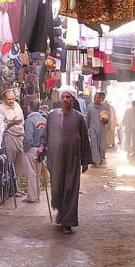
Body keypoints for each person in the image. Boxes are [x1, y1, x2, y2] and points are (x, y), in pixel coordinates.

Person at [44, 86, 92, 234]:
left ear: (73, 99)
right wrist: (41, 148)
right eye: (63, 97)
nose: (65, 99)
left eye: (68, 97)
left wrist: (85, 161)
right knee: (57, 188)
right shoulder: (51, 115)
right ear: (60, 99)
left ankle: (68, 222)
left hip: (73, 157)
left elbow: (84, 138)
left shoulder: (79, 117)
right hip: (55, 158)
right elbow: (45, 135)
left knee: (71, 188)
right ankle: (61, 211)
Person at [0, 88, 25, 197]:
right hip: (9, 137)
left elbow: (22, 120)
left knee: (19, 164)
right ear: (4, 99)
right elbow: (1, 126)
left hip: (20, 137)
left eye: (13, 99)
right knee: (10, 164)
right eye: (9, 99)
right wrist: (12, 123)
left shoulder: (17, 106)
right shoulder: (1, 109)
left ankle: (17, 187)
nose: (11, 101)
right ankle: (11, 190)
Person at [22, 98, 46, 203]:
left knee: (31, 174)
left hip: (31, 149)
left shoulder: (29, 120)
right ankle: (37, 195)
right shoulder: (44, 120)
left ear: (28, 108)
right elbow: (46, 136)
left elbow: (28, 138)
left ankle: (32, 197)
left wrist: (25, 148)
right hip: (40, 149)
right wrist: (42, 147)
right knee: (37, 173)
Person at [85, 92, 108, 166]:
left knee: (101, 145)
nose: (96, 99)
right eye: (95, 97)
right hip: (93, 129)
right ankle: (95, 161)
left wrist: (105, 120)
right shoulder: (90, 107)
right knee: (94, 145)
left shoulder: (104, 107)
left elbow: (107, 119)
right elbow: (87, 119)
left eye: (98, 97)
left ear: (101, 98)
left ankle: (100, 157)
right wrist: (86, 128)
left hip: (102, 129)